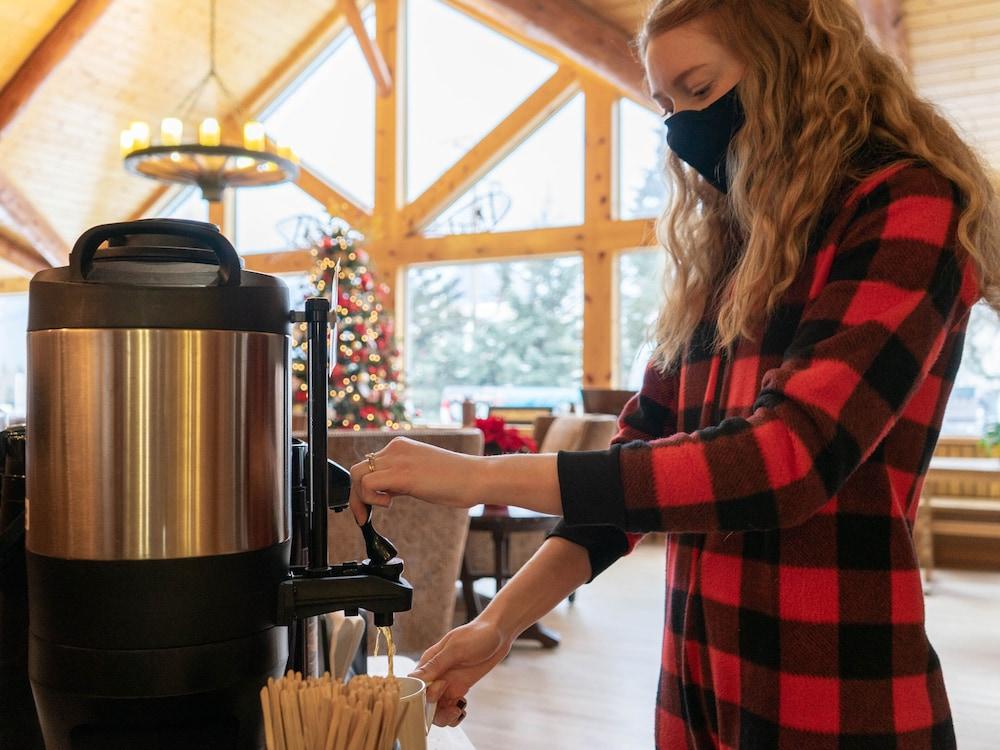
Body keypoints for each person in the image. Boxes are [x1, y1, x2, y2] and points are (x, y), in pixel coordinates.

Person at [349, 0, 1000, 746]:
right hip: (698, 688)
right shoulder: (727, 253)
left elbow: (787, 460)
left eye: (699, 88)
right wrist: (498, 623)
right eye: (666, 105)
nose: (684, 126)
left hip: (834, 694)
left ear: (795, 64)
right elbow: (636, 472)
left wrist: (478, 477)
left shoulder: (906, 204)